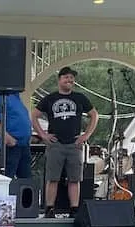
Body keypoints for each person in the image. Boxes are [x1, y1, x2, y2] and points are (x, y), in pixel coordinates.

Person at [32, 66, 98, 217]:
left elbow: (94, 115)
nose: (70, 80)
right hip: (55, 144)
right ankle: (49, 209)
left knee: (74, 179)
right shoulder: (50, 98)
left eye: (71, 78)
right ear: (59, 80)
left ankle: (74, 209)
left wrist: (86, 135)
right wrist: (43, 135)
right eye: (66, 77)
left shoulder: (79, 98)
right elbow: (34, 115)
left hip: (74, 144)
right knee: (52, 178)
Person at [0, 91, 34, 180]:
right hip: (10, 146)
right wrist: (7, 137)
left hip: (23, 146)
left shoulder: (17, 98)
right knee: (7, 179)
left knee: (26, 182)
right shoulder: (0, 96)